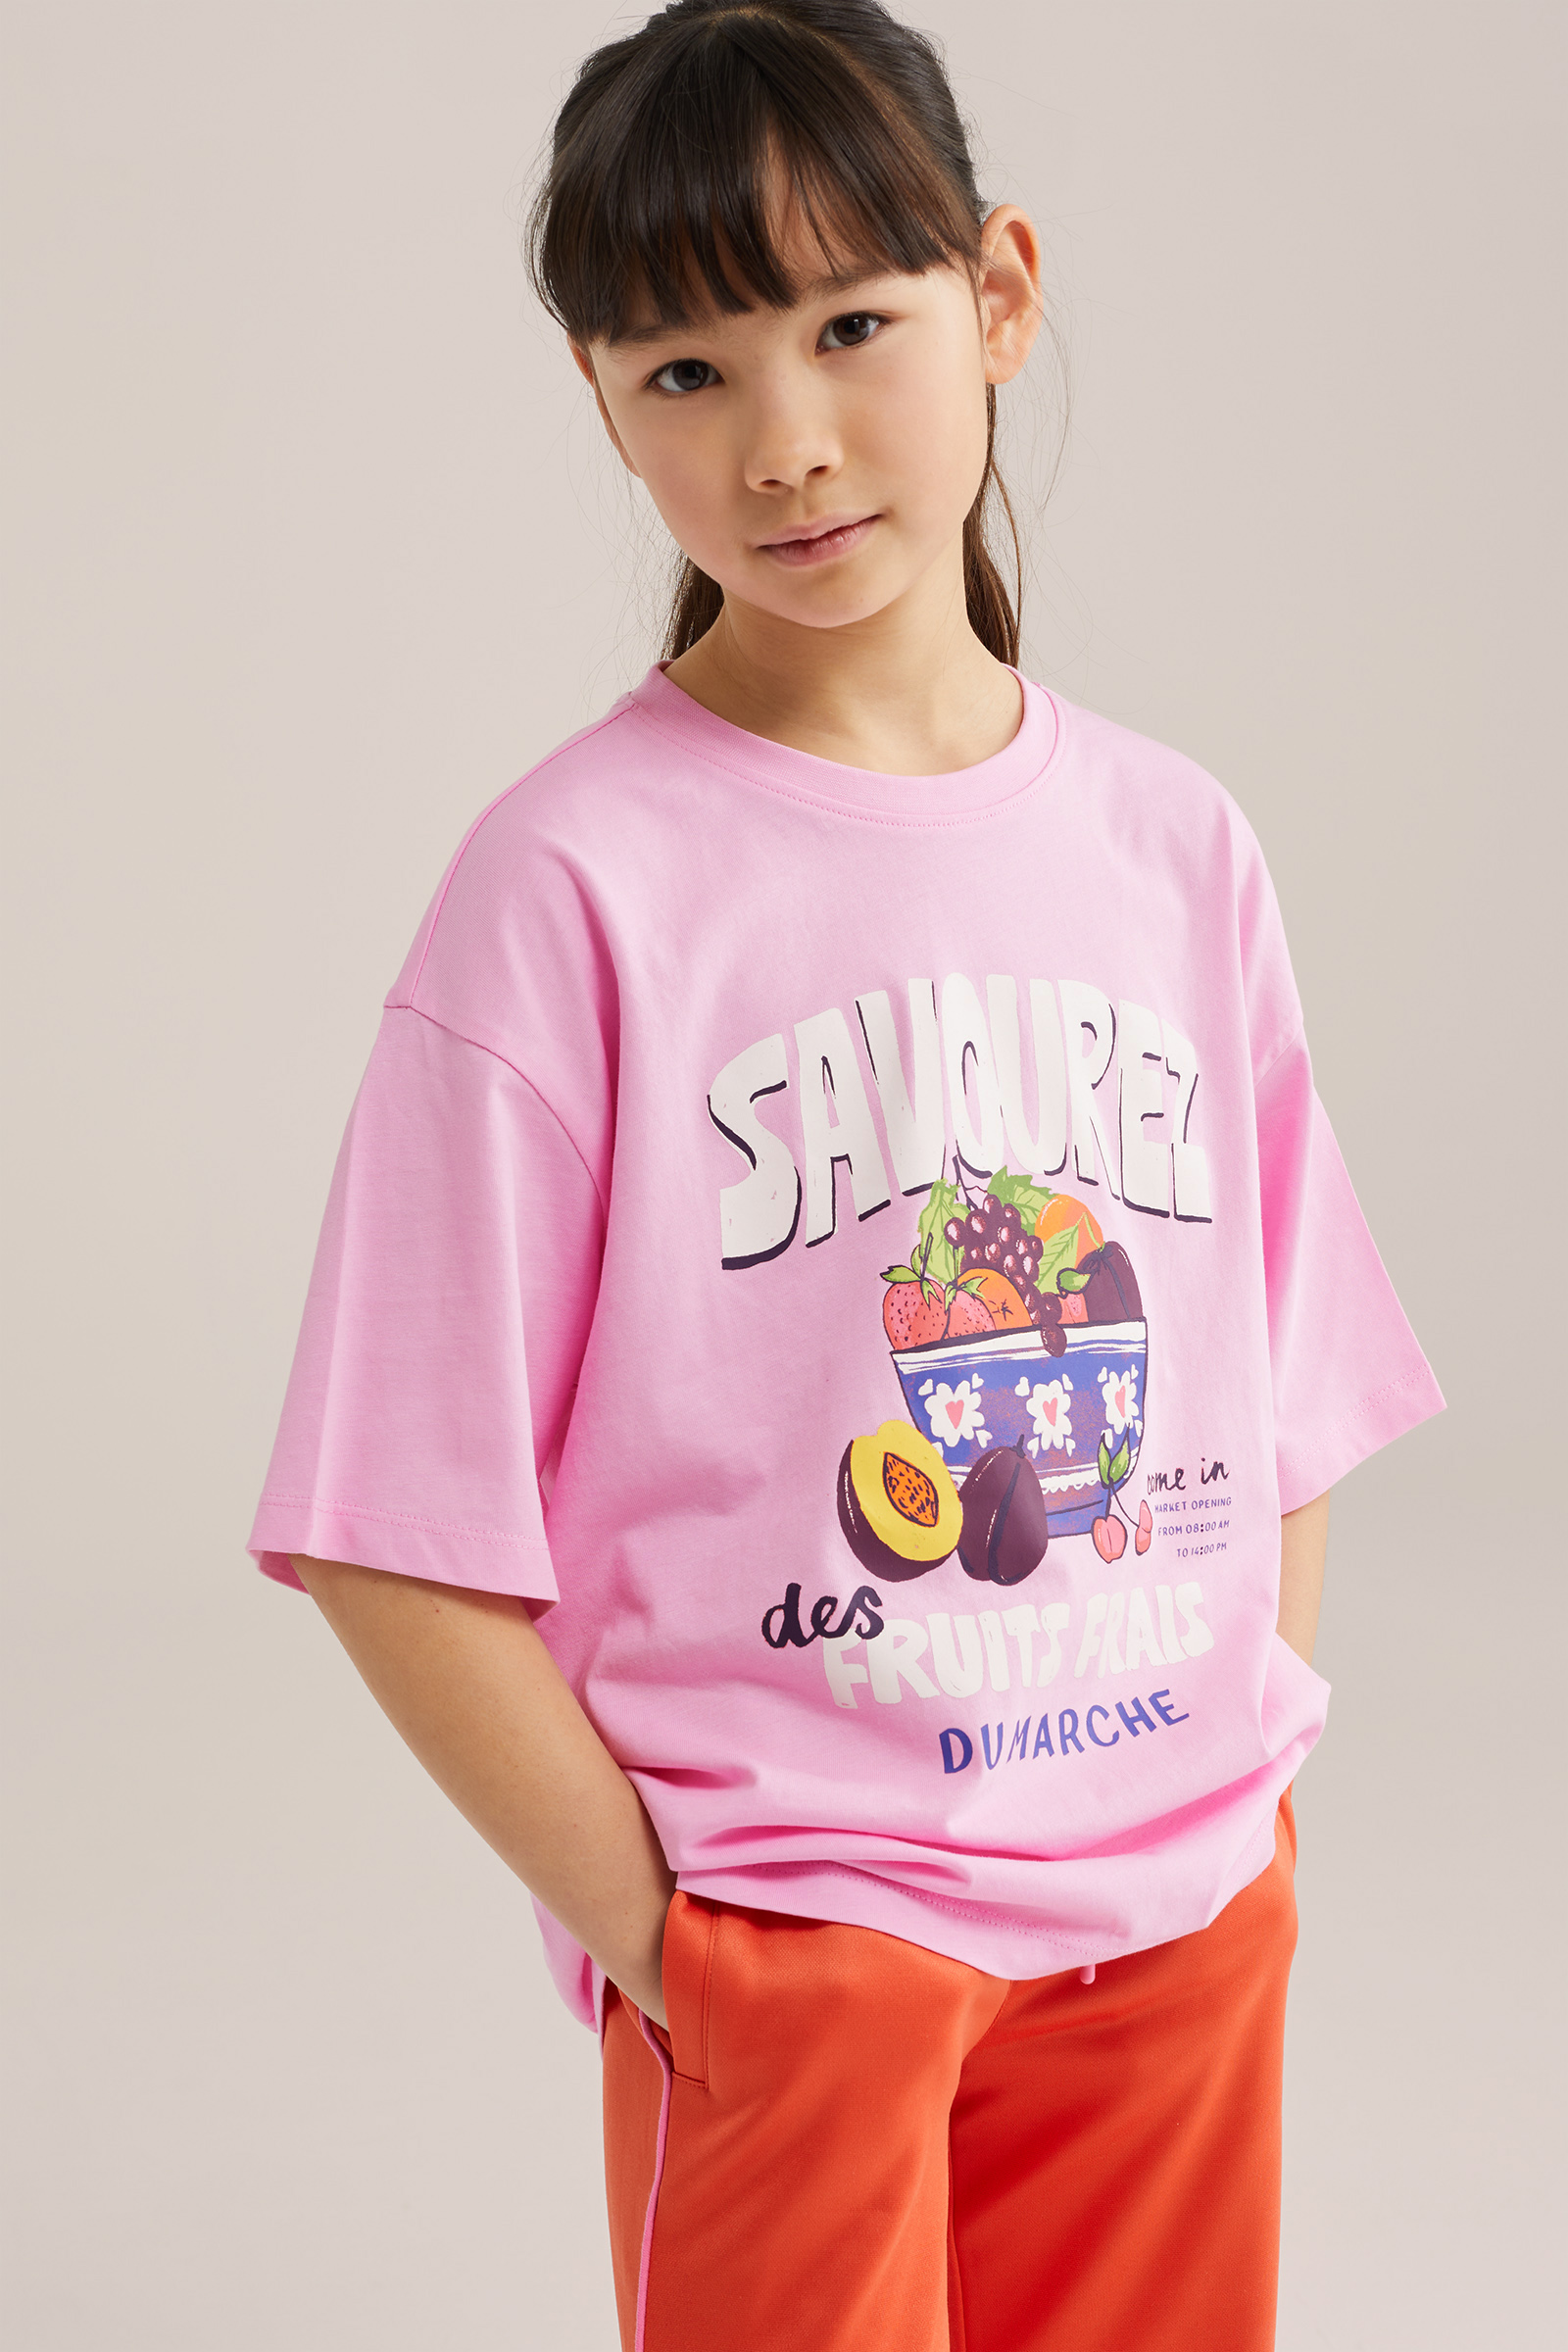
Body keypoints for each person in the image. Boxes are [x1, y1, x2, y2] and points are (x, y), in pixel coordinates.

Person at [246, 4, 1444, 2345]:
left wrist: (1228, 1783)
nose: (782, 440)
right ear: (600, 402)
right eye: (683, 370)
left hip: (1181, 1918)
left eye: (849, 327)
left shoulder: (1172, 847)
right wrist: (683, 1949)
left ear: (995, 295)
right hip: (803, 1950)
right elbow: (388, 1526)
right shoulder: (572, 889)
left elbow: (1276, 1385)